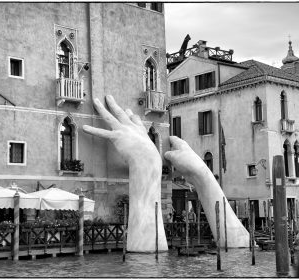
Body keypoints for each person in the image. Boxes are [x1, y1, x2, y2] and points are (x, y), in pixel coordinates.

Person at [83, 95, 249, 249]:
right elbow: (239, 245)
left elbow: (146, 249)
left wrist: (147, 167)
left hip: (146, 250)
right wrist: (203, 177)